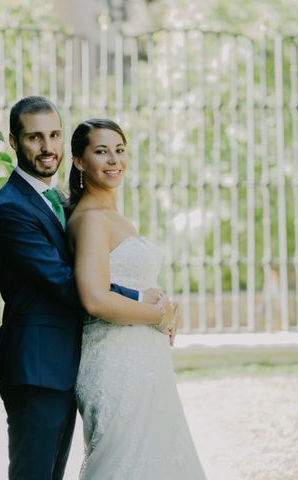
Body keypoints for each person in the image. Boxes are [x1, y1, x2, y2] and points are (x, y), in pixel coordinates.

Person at [0, 96, 172, 479]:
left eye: (54, 135)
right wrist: (140, 300)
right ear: (12, 141)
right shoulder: (11, 209)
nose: (47, 147)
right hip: (35, 365)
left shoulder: (55, 202)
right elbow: (66, 282)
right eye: (35, 138)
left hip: (64, 363)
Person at [67, 119, 207, 479]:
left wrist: (164, 307)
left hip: (145, 360)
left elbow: (123, 282)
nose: (114, 160)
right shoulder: (92, 219)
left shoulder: (113, 216)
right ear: (79, 162)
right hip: (116, 362)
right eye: (101, 152)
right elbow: (94, 298)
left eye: (119, 150)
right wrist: (156, 316)